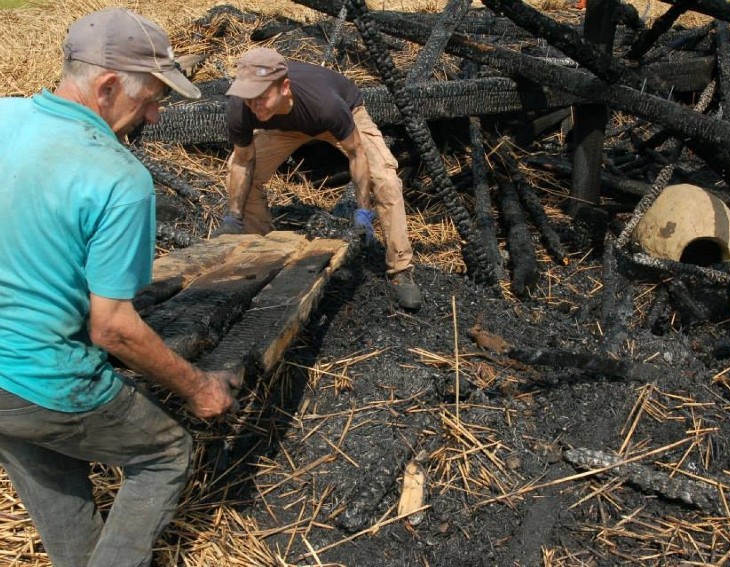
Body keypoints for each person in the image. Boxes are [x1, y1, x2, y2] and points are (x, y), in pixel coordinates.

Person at [0, 8, 241, 567]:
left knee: (50, 467)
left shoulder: (4, 116)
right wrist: (199, 387)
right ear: (108, 86)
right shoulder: (118, 177)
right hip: (41, 375)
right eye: (152, 96)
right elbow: (113, 327)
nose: (155, 116)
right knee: (165, 453)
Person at [218, 47, 423, 310]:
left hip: (339, 117)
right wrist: (233, 216)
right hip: (282, 127)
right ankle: (267, 252)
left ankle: (401, 269)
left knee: (386, 179)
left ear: (285, 87)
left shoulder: (325, 103)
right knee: (239, 174)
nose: (254, 105)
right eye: (248, 98)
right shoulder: (242, 106)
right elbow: (244, 161)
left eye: (261, 96)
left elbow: (356, 151)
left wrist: (363, 212)